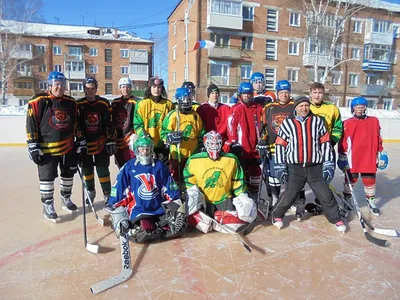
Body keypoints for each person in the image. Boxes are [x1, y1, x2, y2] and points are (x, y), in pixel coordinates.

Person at [272, 96, 346, 233]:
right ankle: (276, 215)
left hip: (315, 168)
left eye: (306, 105)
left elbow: (325, 144)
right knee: (289, 195)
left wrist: (328, 164)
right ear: (296, 108)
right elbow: (280, 146)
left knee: (325, 195)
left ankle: (336, 218)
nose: (304, 108)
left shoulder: (318, 122)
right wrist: (280, 166)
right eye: (301, 106)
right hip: (295, 168)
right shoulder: (288, 123)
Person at [26, 71, 85, 222]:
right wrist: (33, 144)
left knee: (68, 175)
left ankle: (66, 199)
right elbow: (31, 123)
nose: (60, 87)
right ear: (50, 85)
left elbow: (77, 123)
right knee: (47, 178)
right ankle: (48, 206)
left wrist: (80, 141)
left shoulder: (72, 103)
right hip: (47, 149)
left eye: (62, 84)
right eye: (57, 84)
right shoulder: (38, 101)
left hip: (68, 147)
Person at [106, 135, 186, 243]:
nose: (145, 152)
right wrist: (113, 203)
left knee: (175, 225)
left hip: (158, 208)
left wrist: (176, 198)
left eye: (147, 149)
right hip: (139, 209)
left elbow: (168, 184)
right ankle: (138, 229)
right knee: (147, 230)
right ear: (136, 150)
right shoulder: (129, 166)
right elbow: (119, 186)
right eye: (142, 149)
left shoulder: (159, 165)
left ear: (151, 149)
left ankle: (164, 226)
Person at [183, 131, 257, 233]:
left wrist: (242, 196)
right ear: (205, 143)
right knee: (203, 223)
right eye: (211, 144)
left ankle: (222, 219)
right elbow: (189, 183)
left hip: (224, 200)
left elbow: (238, 182)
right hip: (205, 201)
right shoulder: (193, 160)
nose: (214, 146)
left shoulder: (231, 159)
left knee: (246, 208)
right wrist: (193, 200)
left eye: (217, 143)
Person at [337, 97, 385, 216]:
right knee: (350, 181)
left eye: (362, 106)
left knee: (369, 180)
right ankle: (347, 199)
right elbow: (342, 142)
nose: (359, 109)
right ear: (352, 108)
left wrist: (381, 152)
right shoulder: (347, 123)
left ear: (365, 107)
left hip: (369, 156)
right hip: (353, 158)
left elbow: (378, 137)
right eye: (357, 107)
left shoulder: (374, 121)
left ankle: (371, 200)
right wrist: (342, 156)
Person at [77, 77, 116, 204]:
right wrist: (80, 139)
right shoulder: (79, 104)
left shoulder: (104, 103)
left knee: (102, 169)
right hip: (85, 144)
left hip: (101, 142)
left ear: (96, 89)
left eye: (92, 88)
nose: (90, 91)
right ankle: (90, 191)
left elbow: (109, 123)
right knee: (87, 170)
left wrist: (110, 138)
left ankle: (107, 194)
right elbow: (76, 124)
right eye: (87, 88)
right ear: (84, 89)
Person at [260, 80, 295, 211]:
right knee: (274, 175)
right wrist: (262, 141)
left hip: (292, 148)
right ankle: (275, 197)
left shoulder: (295, 106)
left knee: (291, 174)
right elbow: (263, 127)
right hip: (274, 148)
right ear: (277, 93)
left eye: (286, 92)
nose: (284, 95)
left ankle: (290, 198)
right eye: (281, 92)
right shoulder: (269, 107)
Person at [225, 82, 263, 195]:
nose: (247, 96)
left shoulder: (259, 108)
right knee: (241, 171)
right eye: (244, 94)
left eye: (249, 94)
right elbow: (231, 125)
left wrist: (263, 140)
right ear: (240, 95)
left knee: (256, 172)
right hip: (242, 147)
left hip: (255, 147)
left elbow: (263, 125)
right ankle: (242, 193)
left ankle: (255, 193)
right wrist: (233, 140)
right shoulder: (236, 108)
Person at [160, 87, 206, 183]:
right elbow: (163, 132)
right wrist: (170, 137)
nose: (186, 101)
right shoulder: (172, 115)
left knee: (191, 178)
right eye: (184, 99)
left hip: (192, 154)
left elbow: (201, 132)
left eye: (189, 99)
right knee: (176, 178)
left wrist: (202, 145)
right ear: (178, 100)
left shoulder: (195, 115)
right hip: (177, 154)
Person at [134, 76, 173, 164]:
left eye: (159, 87)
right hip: (146, 145)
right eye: (154, 87)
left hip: (163, 144)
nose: (156, 89)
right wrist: (144, 135)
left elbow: (172, 124)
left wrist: (168, 139)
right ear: (149, 88)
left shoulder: (168, 104)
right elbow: (137, 124)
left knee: (162, 170)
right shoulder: (141, 104)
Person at [111, 77, 136, 169]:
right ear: (119, 88)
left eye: (128, 86)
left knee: (131, 163)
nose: (125, 89)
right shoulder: (115, 102)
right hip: (118, 138)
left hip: (130, 138)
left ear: (131, 88)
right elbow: (111, 120)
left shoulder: (136, 102)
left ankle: (132, 183)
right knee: (120, 165)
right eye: (123, 86)